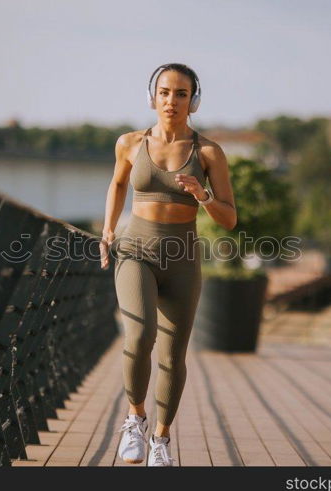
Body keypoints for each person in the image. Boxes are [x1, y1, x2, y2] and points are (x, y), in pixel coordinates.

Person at [99, 63, 236, 466]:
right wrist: (108, 230)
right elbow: (119, 183)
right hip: (135, 249)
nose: (170, 101)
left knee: (174, 356)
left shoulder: (208, 152)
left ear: (192, 101)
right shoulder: (129, 142)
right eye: (163, 92)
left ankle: (161, 438)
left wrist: (203, 195)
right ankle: (136, 418)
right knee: (139, 337)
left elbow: (229, 218)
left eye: (180, 93)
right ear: (152, 97)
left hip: (182, 256)